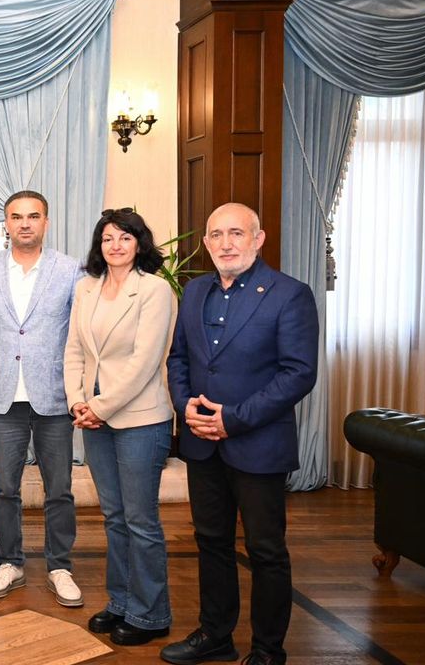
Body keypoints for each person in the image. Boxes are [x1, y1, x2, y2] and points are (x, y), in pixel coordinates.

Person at [159, 203, 318, 665]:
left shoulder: (290, 294)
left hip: (258, 445)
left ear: (258, 239)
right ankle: (216, 635)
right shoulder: (194, 291)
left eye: (236, 233)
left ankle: (268, 650)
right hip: (201, 443)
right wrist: (185, 405)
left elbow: (298, 373)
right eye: (216, 235)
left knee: (266, 551)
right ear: (206, 243)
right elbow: (179, 358)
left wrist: (234, 419)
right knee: (211, 543)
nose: (225, 243)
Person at [63, 208, 176, 645]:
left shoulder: (155, 290)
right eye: (108, 238)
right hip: (94, 418)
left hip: (139, 419)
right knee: (114, 517)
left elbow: (145, 362)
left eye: (125, 238)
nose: (115, 245)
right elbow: (74, 350)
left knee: (141, 520)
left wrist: (99, 407)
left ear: (139, 244)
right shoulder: (86, 287)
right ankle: (122, 601)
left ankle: (151, 615)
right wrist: (77, 400)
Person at [0, 190, 84, 607]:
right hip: (3, 398)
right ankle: (10, 563)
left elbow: (80, 334)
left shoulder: (70, 270)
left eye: (33, 216)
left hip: (54, 396)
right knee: (5, 488)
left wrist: (81, 391)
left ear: (46, 223)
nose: (24, 223)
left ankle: (60, 566)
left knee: (59, 489)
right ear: (6, 223)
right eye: (16, 216)